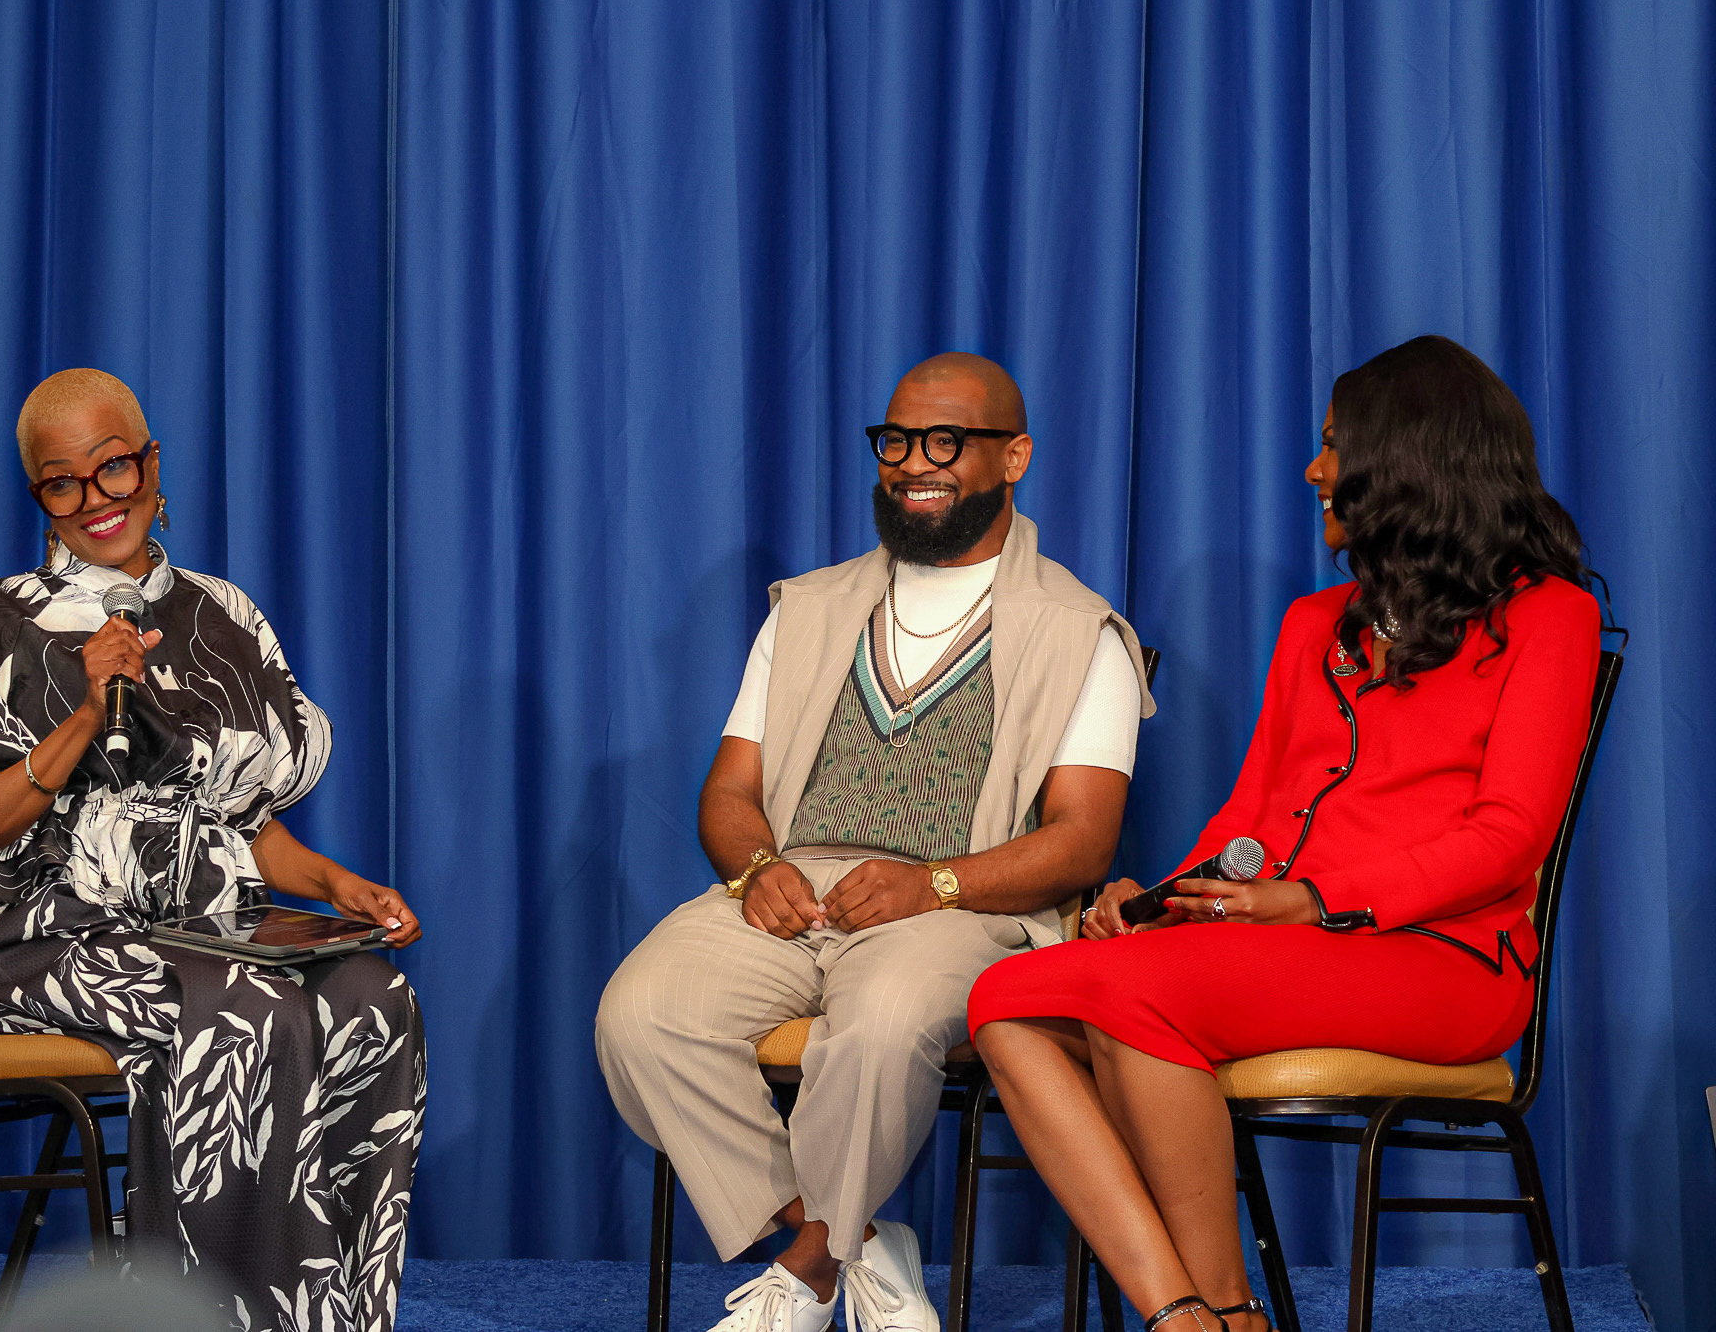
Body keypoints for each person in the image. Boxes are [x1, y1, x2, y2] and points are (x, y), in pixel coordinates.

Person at [967, 336, 1602, 1332]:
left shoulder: (1545, 617)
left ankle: (1226, 1308)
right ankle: (1182, 1311)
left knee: (1134, 998)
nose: (1312, 471)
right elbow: (1248, 812)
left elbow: (1508, 834)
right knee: (1003, 997)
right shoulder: (1314, 622)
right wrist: (1157, 901)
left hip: (1446, 960)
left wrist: (1315, 900)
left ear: (1408, 460)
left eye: (1332, 447)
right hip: (1280, 943)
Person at [596, 353, 1153, 1332]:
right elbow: (729, 790)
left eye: (943, 441)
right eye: (894, 440)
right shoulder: (806, 609)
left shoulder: (1079, 631)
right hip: (794, 886)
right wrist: (759, 865)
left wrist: (931, 883)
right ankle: (842, 1234)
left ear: (1012, 455)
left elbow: (1079, 841)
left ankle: (809, 1269)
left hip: (964, 901)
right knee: (641, 1013)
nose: (909, 463)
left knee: (886, 1019)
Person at [0, 369, 424, 1332]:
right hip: (16, 939)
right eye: (64, 483)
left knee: (372, 998)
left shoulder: (223, 617)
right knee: (248, 1013)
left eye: (114, 467)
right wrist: (87, 716)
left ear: (151, 463)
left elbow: (247, 828)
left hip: (189, 931)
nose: (97, 500)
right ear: (38, 497)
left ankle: (338, 1319)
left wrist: (345, 885)